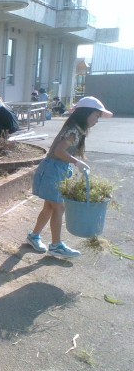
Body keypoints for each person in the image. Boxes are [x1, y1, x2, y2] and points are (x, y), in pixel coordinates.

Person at [26, 96, 112, 258]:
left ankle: (34, 236)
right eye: (96, 116)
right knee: (59, 207)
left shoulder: (77, 129)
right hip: (52, 170)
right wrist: (76, 162)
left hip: (57, 169)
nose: (97, 120)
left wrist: (74, 163)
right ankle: (56, 245)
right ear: (85, 113)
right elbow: (59, 151)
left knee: (49, 206)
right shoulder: (73, 130)